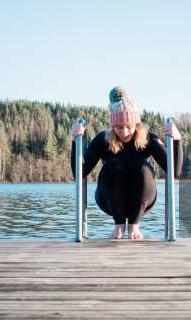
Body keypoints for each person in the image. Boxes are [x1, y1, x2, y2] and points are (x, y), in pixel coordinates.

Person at [70, 86, 183, 240]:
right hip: (109, 200)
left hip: (143, 200)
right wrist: (74, 141)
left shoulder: (148, 138)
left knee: (141, 166)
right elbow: (79, 172)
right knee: (112, 166)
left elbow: (174, 171)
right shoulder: (103, 139)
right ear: (112, 126)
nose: (124, 132)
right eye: (118, 127)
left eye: (128, 126)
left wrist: (177, 140)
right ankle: (119, 224)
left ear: (136, 124)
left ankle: (134, 225)